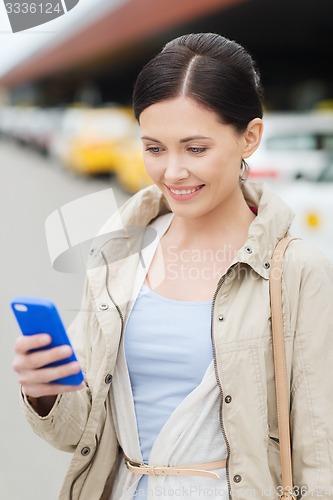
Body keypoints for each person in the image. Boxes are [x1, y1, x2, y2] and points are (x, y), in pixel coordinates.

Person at [13, 33, 333, 500]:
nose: (173, 172)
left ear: (250, 137)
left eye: (196, 149)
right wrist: (45, 391)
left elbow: (318, 447)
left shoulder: (296, 268)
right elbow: (79, 436)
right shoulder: (117, 252)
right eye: (155, 148)